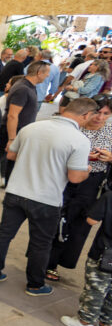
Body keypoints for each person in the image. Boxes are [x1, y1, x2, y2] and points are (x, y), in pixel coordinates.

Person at [0, 97, 96, 295]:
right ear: (86, 115)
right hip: (46, 199)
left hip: (16, 191)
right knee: (41, 243)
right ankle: (35, 285)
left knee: (4, 234)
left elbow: (11, 155)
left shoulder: (32, 127)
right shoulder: (79, 140)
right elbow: (75, 177)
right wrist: (87, 170)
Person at [46, 96, 112, 281]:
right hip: (67, 176)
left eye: (106, 113)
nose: (100, 117)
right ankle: (47, 260)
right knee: (58, 217)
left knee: (79, 223)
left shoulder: (109, 131)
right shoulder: (75, 127)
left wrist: (109, 158)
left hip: (93, 182)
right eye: (97, 112)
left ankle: (60, 261)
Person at [60, 188, 112, 326]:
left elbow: (91, 220)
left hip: (104, 252)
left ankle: (85, 322)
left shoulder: (109, 196)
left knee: (96, 288)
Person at [0, 60, 50, 186]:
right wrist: (11, 139)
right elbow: (12, 115)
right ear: (39, 73)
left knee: (11, 162)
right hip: (12, 131)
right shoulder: (23, 88)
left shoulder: (29, 86)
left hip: (19, 131)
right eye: (46, 73)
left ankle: (9, 186)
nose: (48, 75)